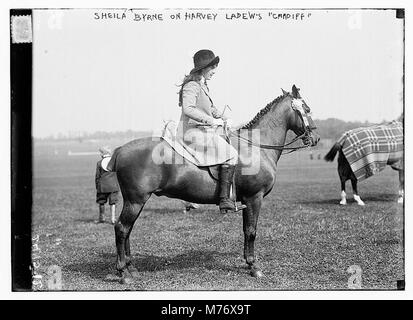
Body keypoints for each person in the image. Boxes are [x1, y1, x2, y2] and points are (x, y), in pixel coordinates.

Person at [177, 49, 244, 214]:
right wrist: (212, 121)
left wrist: (223, 117)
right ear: (204, 67)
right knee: (232, 154)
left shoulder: (202, 85)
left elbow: (210, 108)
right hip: (191, 132)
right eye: (212, 68)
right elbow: (188, 108)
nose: (214, 72)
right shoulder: (192, 85)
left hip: (202, 131)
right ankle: (224, 200)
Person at [95, 146, 120, 224]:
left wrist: (97, 186)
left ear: (103, 153)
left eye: (100, 152)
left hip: (102, 187)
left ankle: (101, 218)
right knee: (113, 203)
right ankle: (113, 219)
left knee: (101, 202)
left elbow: (97, 176)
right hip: (113, 186)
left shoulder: (99, 163)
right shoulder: (115, 162)